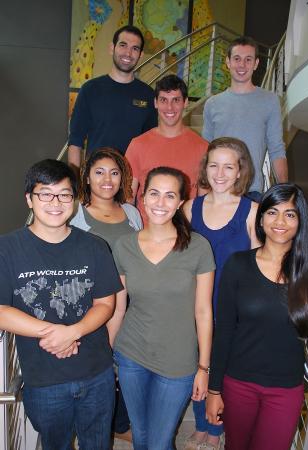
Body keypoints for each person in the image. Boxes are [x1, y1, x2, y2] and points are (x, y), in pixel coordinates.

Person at [0, 159, 123, 450]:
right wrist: (55, 332)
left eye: (64, 194)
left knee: (98, 445)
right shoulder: (7, 248)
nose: (55, 202)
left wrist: (74, 331)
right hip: (43, 379)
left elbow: (106, 303)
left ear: (75, 200)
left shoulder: (95, 246)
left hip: (97, 373)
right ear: (29, 199)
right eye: (45, 193)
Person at [206, 183, 308, 450]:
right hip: (238, 381)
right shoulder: (238, 265)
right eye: (272, 212)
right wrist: (214, 390)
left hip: (286, 388)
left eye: (290, 214)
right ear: (261, 218)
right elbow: (225, 330)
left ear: (300, 220)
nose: (280, 221)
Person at [108, 166, 215, 450]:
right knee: (140, 436)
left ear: (181, 202)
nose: (160, 202)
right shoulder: (123, 246)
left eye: (170, 196)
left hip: (178, 361)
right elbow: (118, 309)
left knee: (159, 441)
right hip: (131, 355)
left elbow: (203, 312)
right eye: (154, 193)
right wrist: (107, 353)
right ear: (142, 197)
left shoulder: (198, 247)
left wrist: (204, 368)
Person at [183, 137, 259, 450]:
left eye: (229, 166)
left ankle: (217, 428)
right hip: (195, 305)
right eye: (214, 165)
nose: (220, 172)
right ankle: (202, 423)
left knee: (223, 369)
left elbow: (259, 267)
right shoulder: (190, 208)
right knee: (197, 366)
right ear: (205, 167)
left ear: (241, 171)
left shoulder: (253, 211)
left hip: (234, 309)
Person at [70, 147, 142, 442]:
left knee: (124, 361)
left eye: (114, 173)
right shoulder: (74, 212)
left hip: (129, 300)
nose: (107, 179)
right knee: (94, 364)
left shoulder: (132, 212)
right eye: (99, 172)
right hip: (90, 303)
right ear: (86, 177)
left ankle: (120, 423)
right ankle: (84, 423)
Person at [202, 36, 288, 199]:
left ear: (256, 64)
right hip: (218, 191)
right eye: (237, 59)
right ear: (228, 62)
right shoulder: (212, 104)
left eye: (248, 59)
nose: (242, 65)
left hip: (253, 192)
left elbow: (276, 148)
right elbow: (205, 152)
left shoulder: (270, 101)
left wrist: (284, 193)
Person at [68, 25, 157, 172]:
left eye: (135, 48)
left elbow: (150, 144)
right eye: (123, 45)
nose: (128, 53)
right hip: (97, 180)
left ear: (140, 55)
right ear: (112, 48)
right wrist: (75, 184)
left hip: (132, 182)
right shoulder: (90, 90)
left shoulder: (148, 95)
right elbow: (75, 141)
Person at [126, 74, 208, 221]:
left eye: (176, 100)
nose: (169, 107)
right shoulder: (137, 145)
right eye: (163, 100)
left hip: (186, 233)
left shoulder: (202, 147)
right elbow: (128, 199)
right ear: (156, 103)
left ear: (185, 102)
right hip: (146, 233)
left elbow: (204, 202)